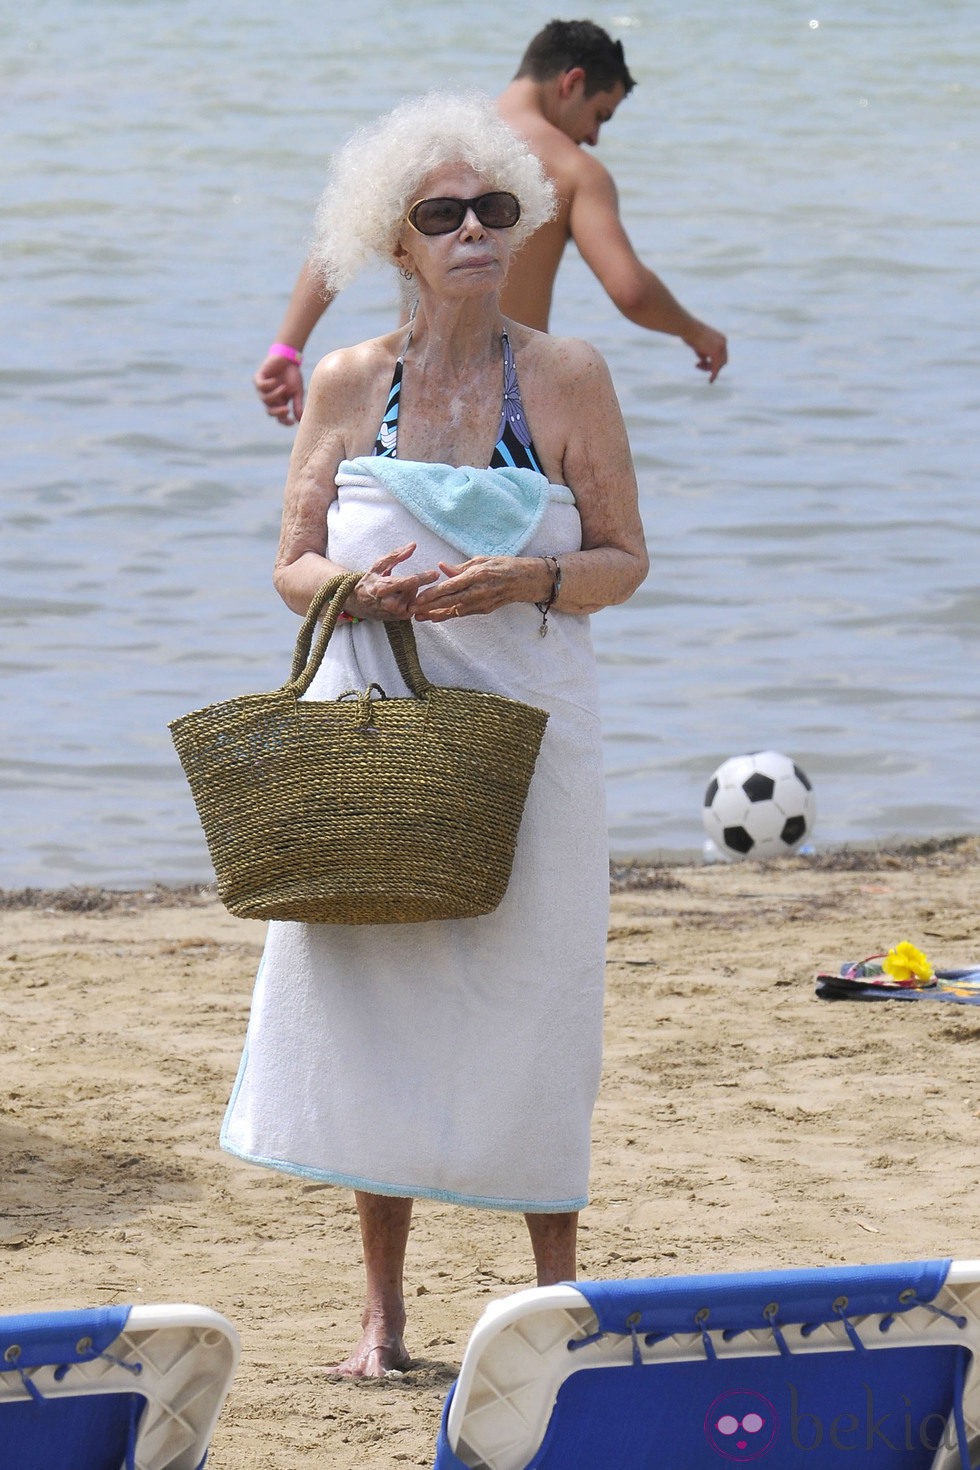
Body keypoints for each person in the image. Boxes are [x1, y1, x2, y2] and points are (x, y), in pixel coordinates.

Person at [222, 92, 648, 1377]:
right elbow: (292, 566)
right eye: (441, 214)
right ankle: (382, 1319)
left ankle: (551, 1301)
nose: (474, 231)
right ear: (393, 243)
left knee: (539, 1002)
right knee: (378, 1009)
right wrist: (361, 590)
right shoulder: (350, 382)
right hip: (374, 726)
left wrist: (528, 581)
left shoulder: (565, 375)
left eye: (494, 210)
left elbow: (626, 561)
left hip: (535, 739)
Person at [254, 18, 727, 427]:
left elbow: (339, 240)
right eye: (600, 114)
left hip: (408, 388)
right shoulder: (575, 171)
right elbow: (631, 290)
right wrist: (697, 332)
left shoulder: (435, 147)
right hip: (508, 396)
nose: (595, 137)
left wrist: (287, 351)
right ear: (572, 82)